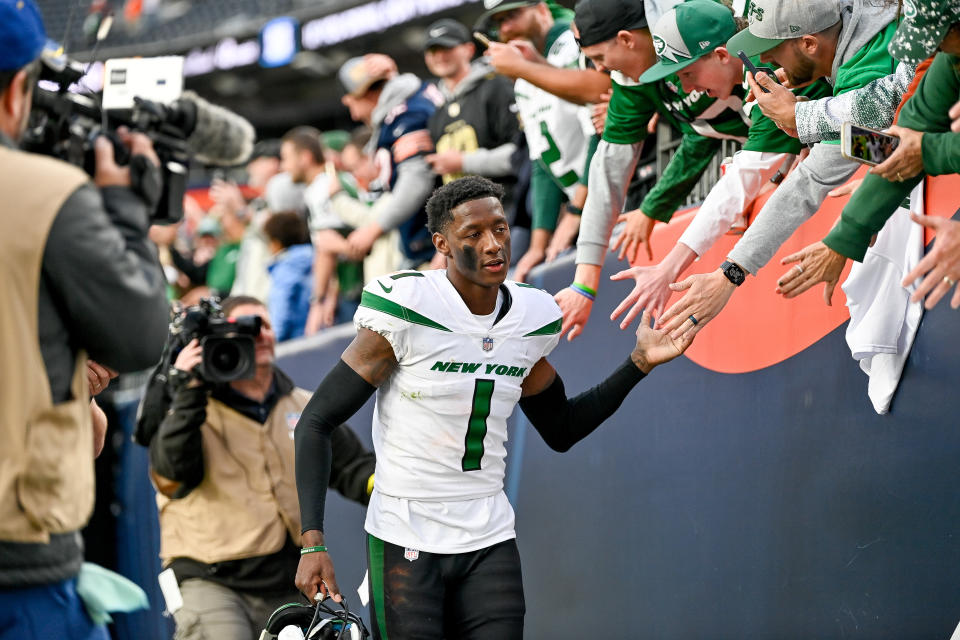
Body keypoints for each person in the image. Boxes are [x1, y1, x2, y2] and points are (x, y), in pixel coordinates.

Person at [293, 176, 693, 639]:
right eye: (473, 235)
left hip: (488, 534)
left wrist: (638, 363)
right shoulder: (406, 308)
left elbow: (561, 428)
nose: (493, 244)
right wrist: (311, 542)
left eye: (500, 230)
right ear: (441, 244)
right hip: (406, 529)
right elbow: (316, 421)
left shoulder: (531, 316)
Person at [0, 0, 169, 637]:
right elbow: (139, 337)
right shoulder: (41, 191)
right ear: (19, 88)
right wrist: (124, 213)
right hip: (19, 568)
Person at [657, 0, 906, 339]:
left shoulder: (864, 61)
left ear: (808, 44)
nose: (766, 62)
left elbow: (816, 177)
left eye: (772, 51)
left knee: (876, 327)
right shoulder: (859, 39)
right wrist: (811, 122)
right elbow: (883, 149)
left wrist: (729, 273)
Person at [146, 296, 375, 640]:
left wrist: (392, 488)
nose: (259, 335)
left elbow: (354, 469)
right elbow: (172, 478)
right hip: (213, 581)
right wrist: (189, 389)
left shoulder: (305, 404)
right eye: (245, 328)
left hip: (288, 581)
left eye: (263, 325)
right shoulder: (189, 403)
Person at [603, 0, 834, 328]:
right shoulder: (753, 75)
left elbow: (743, 180)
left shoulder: (763, 73)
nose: (686, 88)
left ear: (723, 56)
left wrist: (670, 268)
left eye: (687, 73)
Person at [557, 0, 756, 340]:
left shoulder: (700, 26)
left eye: (600, 58)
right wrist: (584, 284)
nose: (601, 70)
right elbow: (609, 173)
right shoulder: (633, 81)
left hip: (816, 128)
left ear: (626, 39)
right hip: (776, 146)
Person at [775, 6, 960, 309]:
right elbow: (907, 138)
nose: (933, 49)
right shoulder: (950, 57)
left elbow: (913, 143)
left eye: (937, 37)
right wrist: (844, 238)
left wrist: (927, 151)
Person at [481, 0, 600, 281]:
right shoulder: (523, 74)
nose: (506, 28)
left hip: (615, 194)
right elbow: (541, 159)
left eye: (513, 15)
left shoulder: (573, 42)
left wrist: (574, 212)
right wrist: (538, 244)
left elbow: (601, 129)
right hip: (584, 207)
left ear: (543, 10)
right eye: (499, 22)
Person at [337, 53, 443, 267]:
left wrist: (373, 229)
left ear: (365, 93)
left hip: (435, 242)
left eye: (353, 103)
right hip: (427, 241)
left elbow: (417, 180)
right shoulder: (409, 103)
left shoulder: (408, 113)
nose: (356, 116)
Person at [263, 211, 314, 342]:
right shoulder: (315, 259)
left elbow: (281, 307)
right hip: (317, 336)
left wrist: (274, 339)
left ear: (276, 242)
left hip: (294, 343)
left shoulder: (285, 268)